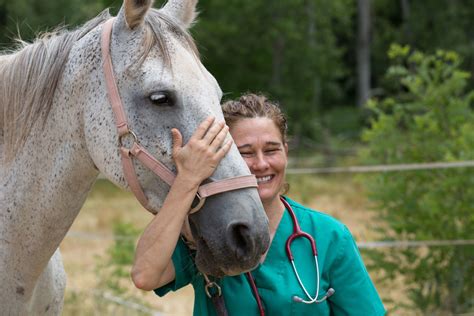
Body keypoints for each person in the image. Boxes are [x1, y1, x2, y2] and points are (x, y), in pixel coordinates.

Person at [131, 93, 385, 315]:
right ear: (223, 157)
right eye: (246, 153)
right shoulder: (202, 231)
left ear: (286, 151)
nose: (261, 164)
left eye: (272, 149)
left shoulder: (328, 236)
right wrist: (187, 180)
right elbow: (145, 275)